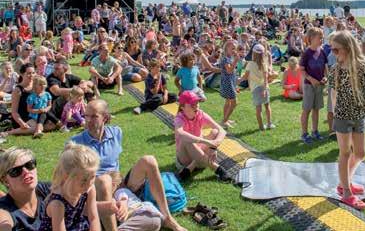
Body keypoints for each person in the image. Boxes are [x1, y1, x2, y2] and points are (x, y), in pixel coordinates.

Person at [70, 100, 187, 231]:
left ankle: (168, 218)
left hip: (119, 185)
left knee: (149, 160)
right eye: (86, 116)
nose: (88, 120)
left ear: (105, 117)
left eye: (94, 116)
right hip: (94, 188)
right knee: (104, 180)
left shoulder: (116, 133)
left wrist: (120, 189)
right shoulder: (75, 143)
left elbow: (114, 167)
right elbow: (71, 180)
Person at [328, 31, 365, 210]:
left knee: (361, 153)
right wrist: (336, 114)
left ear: (347, 48)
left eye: (336, 49)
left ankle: (344, 181)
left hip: (359, 115)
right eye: (332, 50)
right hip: (342, 116)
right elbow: (333, 93)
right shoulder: (335, 69)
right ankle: (346, 191)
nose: (333, 53)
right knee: (345, 153)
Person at [38, 143, 100, 231]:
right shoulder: (58, 203)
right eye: (84, 180)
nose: (89, 184)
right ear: (67, 176)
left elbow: (94, 218)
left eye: (93, 177)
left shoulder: (89, 189)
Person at [174, 90, 227, 182]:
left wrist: (214, 146)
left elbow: (221, 130)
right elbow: (181, 133)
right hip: (184, 160)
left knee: (215, 132)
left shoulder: (200, 114)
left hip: (199, 155)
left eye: (197, 103)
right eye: (192, 104)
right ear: (182, 107)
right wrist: (206, 142)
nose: (196, 106)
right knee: (186, 139)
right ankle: (217, 169)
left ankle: (191, 167)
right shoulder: (179, 118)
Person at [0, 147, 51, 231]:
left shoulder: (47, 190)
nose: (26, 172)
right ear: (5, 181)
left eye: (29, 165)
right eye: (16, 171)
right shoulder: (4, 210)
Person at [299, 28, 328, 143]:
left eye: (322, 37)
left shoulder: (322, 52)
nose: (321, 40)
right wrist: (311, 79)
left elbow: (326, 69)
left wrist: (325, 77)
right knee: (307, 110)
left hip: (319, 86)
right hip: (309, 86)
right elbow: (301, 70)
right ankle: (304, 134)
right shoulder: (306, 53)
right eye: (319, 38)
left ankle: (315, 131)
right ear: (311, 39)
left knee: (316, 109)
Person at [242, 44, 275, 130]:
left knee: (258, 108)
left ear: (253, 53)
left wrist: (238, 80)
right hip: (264, 87)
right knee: (267, 106)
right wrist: (264, 89)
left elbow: (245, 77)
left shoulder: (250, 64)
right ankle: (269, 123)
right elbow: (266, 78)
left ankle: (261, 126)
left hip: (255, 88)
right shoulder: (264, 64)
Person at [219, 40, 239, 128]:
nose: (234, 50)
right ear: (226, 49)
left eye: (235, 48)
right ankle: (224, 121)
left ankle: (226, 119)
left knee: (228, 102)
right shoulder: (225, 59)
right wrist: (235, 61)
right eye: (232, 48)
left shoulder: (229, 57)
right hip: (228, 82)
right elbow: (229, 70)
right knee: (234, 103)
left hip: (231, 81)